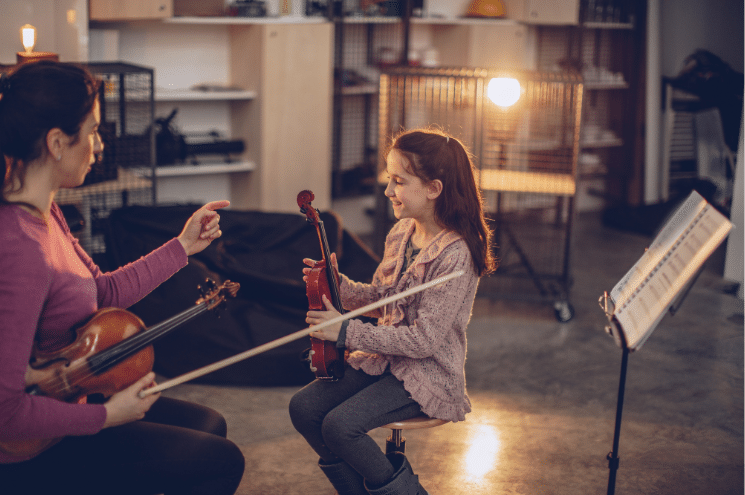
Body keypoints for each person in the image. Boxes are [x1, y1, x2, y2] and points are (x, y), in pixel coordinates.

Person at [0, 61, 245, 494]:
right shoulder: (20, 248)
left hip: (70, 397)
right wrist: (109, 415)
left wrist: (183, 246)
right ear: (57, 142)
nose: (99, 146)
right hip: (31, 448)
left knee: (211, 423)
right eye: (93, 131)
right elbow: (7, 413)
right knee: (220, 463)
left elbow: (103, 291)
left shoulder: (48, 209)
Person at [289, 128, 496, 495]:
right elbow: (383, 298)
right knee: (304, 408)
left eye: (398, 181)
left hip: (426, 371)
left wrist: (345, 332)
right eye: (389, 179)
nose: (387, 191)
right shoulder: (401, 233)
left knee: (340, 426)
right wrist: (338, 286)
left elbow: (423, 341)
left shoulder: (456, 255)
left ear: (434, 188)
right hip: (383, 359)